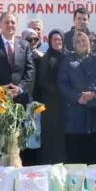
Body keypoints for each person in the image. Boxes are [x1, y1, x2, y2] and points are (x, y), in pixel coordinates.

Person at [0, 12, 36, 166]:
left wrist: (20, 89)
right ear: (0, 24)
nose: (10, 25)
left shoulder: (24, 45)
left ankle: (16, 169)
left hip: (19, 101)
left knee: (18, 136)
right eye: (6, 22)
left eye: (13, 22)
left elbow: (29, 71)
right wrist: (0, 89)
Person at [59, 32, 96, 165]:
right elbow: (62, 83)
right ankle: (76, 179)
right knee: (75, 146)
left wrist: (94, 93)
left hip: (95, 109)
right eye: (79, 41)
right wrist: (77, 97)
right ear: (74, 45)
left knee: (95, 144)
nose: (82, 43)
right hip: (75, 110)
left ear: (89, 42)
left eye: (84, 40)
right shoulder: (67, 60)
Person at [36, 30, 67, 165]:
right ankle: (49, 163)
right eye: (54, 39)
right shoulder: (45, 58)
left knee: (64, 135)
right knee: (50, 134)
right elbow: (42, 81)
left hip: (67, 104)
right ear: (49, 41)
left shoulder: (68, 57)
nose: (57, 42)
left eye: (60, 39)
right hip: (50, 103)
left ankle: (63, 163)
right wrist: (60, 90)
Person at [21, 29, 44, 166]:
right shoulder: (19, 54)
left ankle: (35, 166)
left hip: (37, 102)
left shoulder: (41, 56)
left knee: (35, 135)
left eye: (36, 39)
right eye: (29, 39)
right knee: (23, 136)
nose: (33, 42)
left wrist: (42, 58)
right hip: (22, 101)